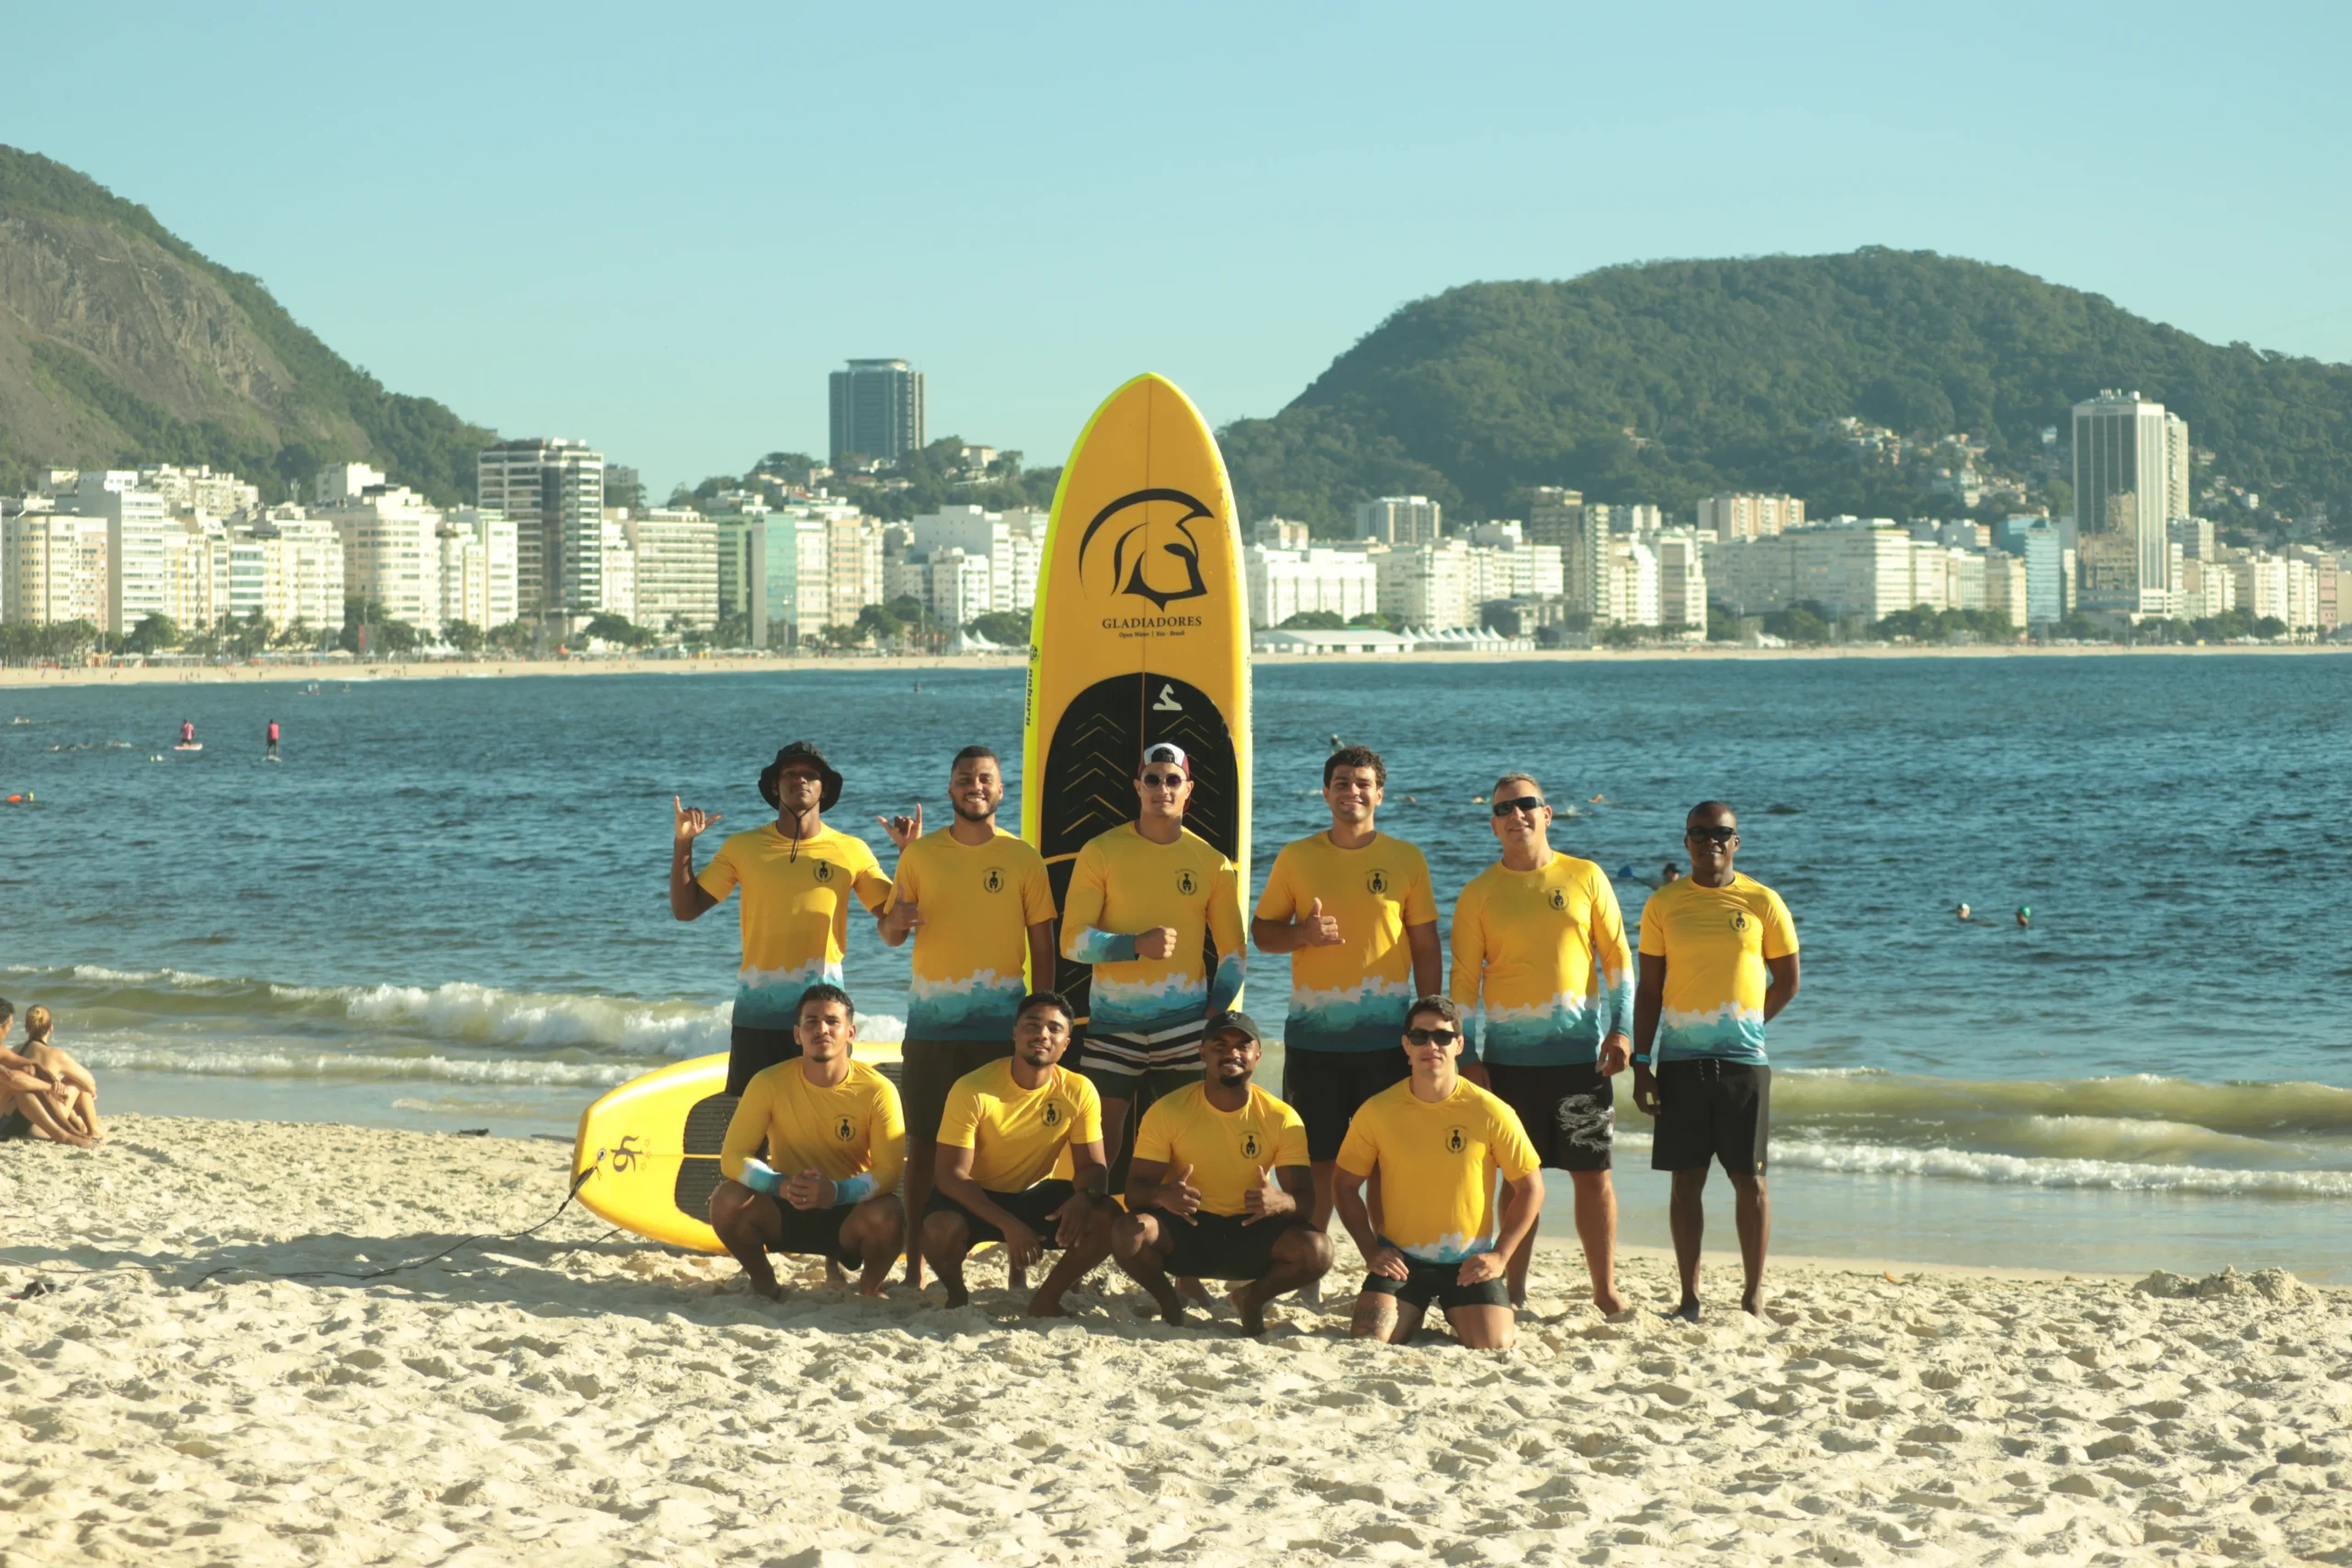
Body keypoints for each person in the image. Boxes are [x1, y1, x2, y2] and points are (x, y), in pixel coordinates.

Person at [1449, 773, 1633, 1314]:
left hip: (1580, 1061)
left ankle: (1605, 1291)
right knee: (1516, 1182)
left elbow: (1618, 961)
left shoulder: (1586, 876)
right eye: (1503, 809)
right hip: (1507, 1065)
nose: (1516, 815)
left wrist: (1622, 1029)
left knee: (1593, 1178)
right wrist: (1467, 1056)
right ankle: (1514, 1290)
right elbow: (1463, 983)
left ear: (1547, 814)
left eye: (1526, 804)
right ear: (1493, 825)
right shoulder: (1479, 893)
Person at [875, 745, 1057, 1284]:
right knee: (924, 1143)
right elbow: (889, 934)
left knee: (1002, 1145)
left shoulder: (1023, 857)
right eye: (964, 779)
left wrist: (1042, 1020)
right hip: (932, 1027)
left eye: (984, 779)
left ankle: (1014, 1265)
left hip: (1003, 1028)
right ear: (949, 789)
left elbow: (1043, 946)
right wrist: (895, 921)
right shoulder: (920, 856)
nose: (974, 786)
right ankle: (913, 1264)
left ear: (1001, 790)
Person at [1250, 744, 1439, 1232]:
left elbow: (1425, 946)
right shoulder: (1296, 857)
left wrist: (1431, 1019)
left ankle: (1388, 1255)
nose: (1351, 791)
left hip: (1387, 1040)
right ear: (1325, 792)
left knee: (1385, 1159)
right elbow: (1263, 934)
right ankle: (1311, 1254)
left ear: (1380, 794)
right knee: (1318, 1160)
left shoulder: (1406, 858)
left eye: (1362, 784)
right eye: (1341, 783)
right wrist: (1303, 935)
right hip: (1315, 1041)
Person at [1631, 800, 1801, 1320]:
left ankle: (1753, 1297)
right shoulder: (1663, 904)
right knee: (1686, 1183)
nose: (1711, 842)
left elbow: (1788, 981)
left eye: (1721, 833)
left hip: (1745, 1064)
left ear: (1736, 842)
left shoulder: (1763, 901)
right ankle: (1689, 1297)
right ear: (1686, 842)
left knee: (1751, 1181)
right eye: (1700, 833)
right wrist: (1641, 1063)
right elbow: (1649, 991)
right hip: (1680, 1063)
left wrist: (1747, 1026)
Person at [672, 741, 893, 1094]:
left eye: (810, 774)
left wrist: (910, 855)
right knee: (754, 1114)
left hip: (825, 1017)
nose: (800, 780)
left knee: (826, 1110)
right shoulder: (743, 847)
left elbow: (892, 917)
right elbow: (686, 909)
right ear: (775, 786)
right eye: (790, 774)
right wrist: (683, 845)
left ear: (824, 788)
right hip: (759, 1011)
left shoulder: (852, 850)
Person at [1060, 741, 1245, 1163]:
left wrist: (1216, 1009)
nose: (1163, 788)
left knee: (1187, 1142)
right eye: (1153, 779)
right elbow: (1070, 942)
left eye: (1173, 780)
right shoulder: (1101, 851)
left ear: (1188, 789)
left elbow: (1234, 951)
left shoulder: (1212, 862)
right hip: (1112, 1027)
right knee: (1097, 1140)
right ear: (1138, 786)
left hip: (1185, 1028)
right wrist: (1134, 945)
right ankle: (1092, 1204)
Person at [1334, 997, 1544, 1349]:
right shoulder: (1377, 1111)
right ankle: (1412, 1308)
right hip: (1401, 1262)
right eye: (1420, 1037)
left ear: (1459, 1045)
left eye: (1443, 1037)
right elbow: (1343, 1185)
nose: (1431, 1045)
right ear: (1406, 1045)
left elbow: (1531, 1188)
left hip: (1468, 1263)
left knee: (1493, 1344)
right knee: (1371, 1339)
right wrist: (1370, 1250)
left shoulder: (1491, 1111)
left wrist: (1499, 1256)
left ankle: (1445, 1308)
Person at [1113, 1010, 1331, 1334]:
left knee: (1318, 1250)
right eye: (1220, 1045)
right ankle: (1170, 1303)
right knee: (1127, 1231)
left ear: (1258, 1055)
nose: (1232, 1053)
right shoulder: (1168, 1111)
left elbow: (1306, 1203)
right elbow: (1134, 1193)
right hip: (1187, 1231)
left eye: (1243, 1046)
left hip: (1251, 1233)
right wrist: (1162, 1196)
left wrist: (1280, 1202)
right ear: (1203, 1053)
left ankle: (1251, 1299)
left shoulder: (1281, 1118)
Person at [922, 991, 1119, 1315]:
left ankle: (1046, 1300)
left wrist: (1084, 1196)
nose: (1042, 1034)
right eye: (1032, 1024)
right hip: (975, 1196)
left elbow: (1094, 1168)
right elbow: (951, 1175)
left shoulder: (1079, 1090)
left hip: (1032, 1195)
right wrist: (1008, 1224)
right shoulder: (973, 1088)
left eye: (1054, 1028)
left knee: (1106, 1216)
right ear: (1015, 1033)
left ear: (1066, 1043)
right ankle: (957, 1296)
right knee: (938, 1228)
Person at [707, 985, 905, 1298]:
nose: (821, 1029)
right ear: (797, 1035)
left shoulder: (877, 1090)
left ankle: (869, 1287)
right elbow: (732, 1157)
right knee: (727, 1200)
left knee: (889, 1213)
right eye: (811, 1022)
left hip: (848, 1212)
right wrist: (781, 1185)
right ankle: (763, 1281)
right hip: (786, 1204)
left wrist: (836, 1191)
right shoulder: (768, 1082)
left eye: (832, 1021)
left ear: (851, 1033)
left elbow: (889, 1172)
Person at [0, 999, 92, 1147]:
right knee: (20, 1085)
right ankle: (65, 1135)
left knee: (28, 1072)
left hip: (12, 1119)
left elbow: (31, 1064)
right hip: (19, 1123)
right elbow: (11, 1078)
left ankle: (70, 1131)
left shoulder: (8, 1049)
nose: (9, 1030)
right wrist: (49, 1087)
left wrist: (52, 1080)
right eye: (9, 1025)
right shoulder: (56, 1054)